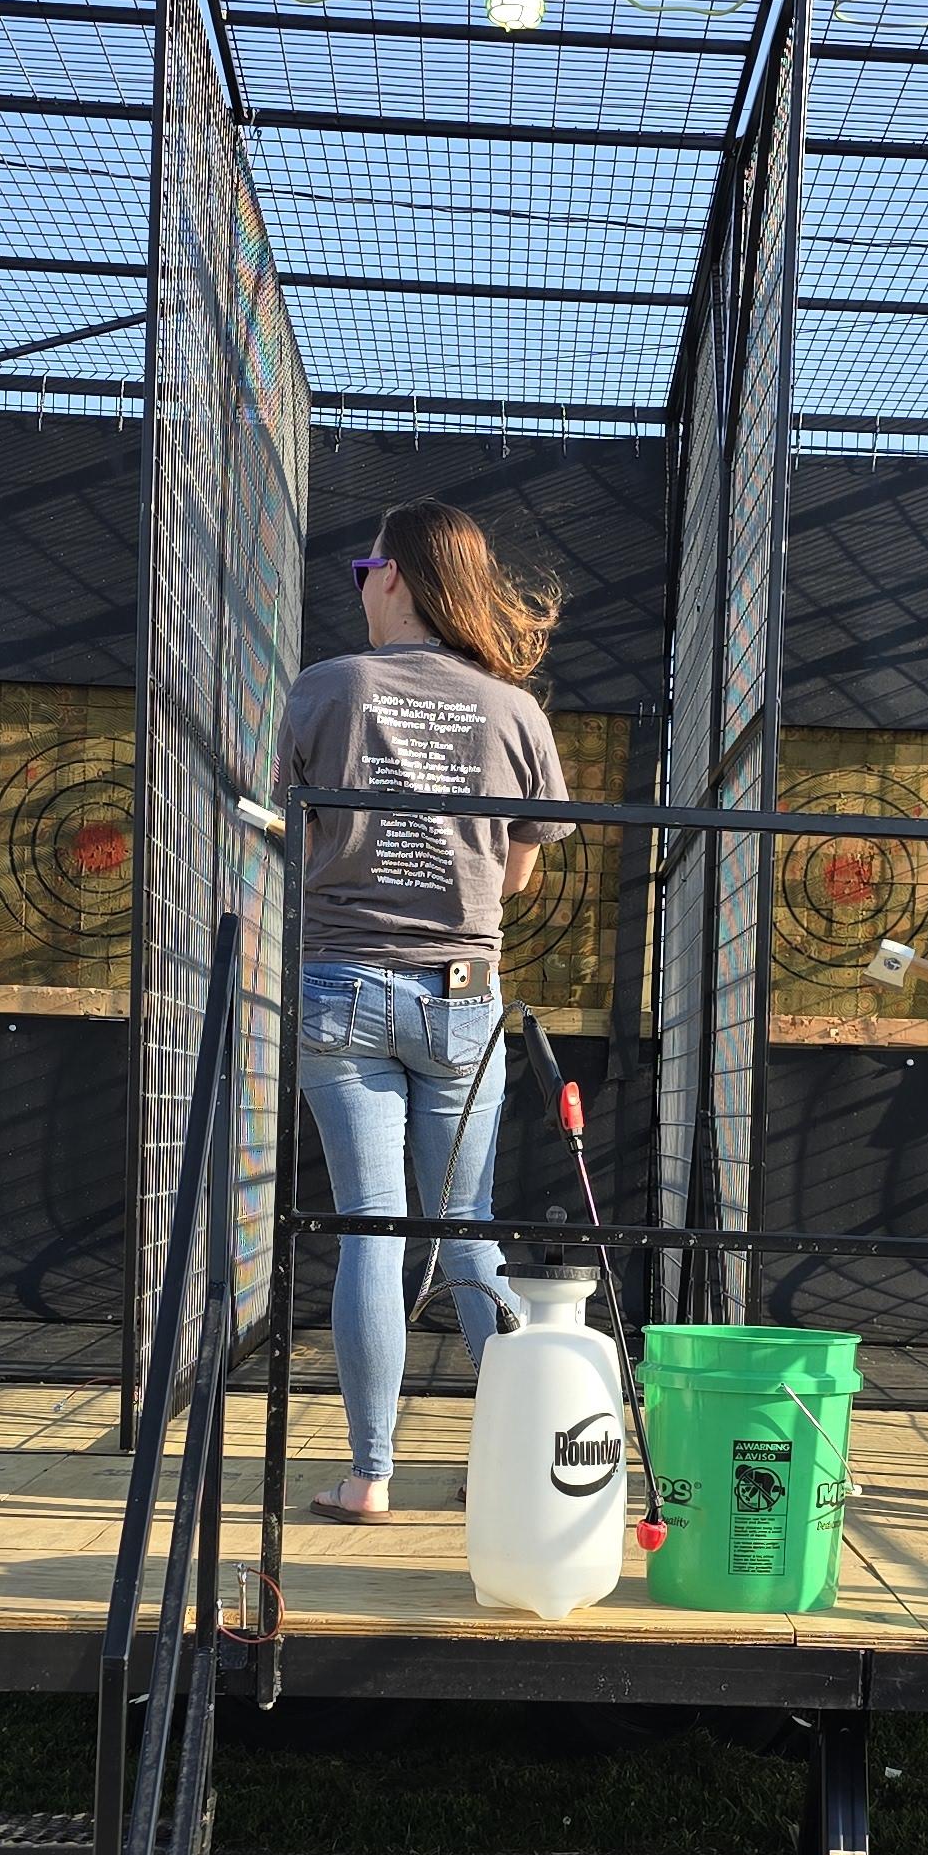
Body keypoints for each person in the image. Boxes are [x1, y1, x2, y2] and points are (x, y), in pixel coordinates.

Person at [282, 499, 572, 1521]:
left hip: (341, 983)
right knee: (466, 1229)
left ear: (396, 576)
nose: (359, 586)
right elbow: (519, 875)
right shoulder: (515, 712)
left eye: (365, 569)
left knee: (371, 1230)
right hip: (460, 995)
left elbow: (294, 835)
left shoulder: (326, 688)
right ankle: (512, 1463)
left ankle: (370, 1475)